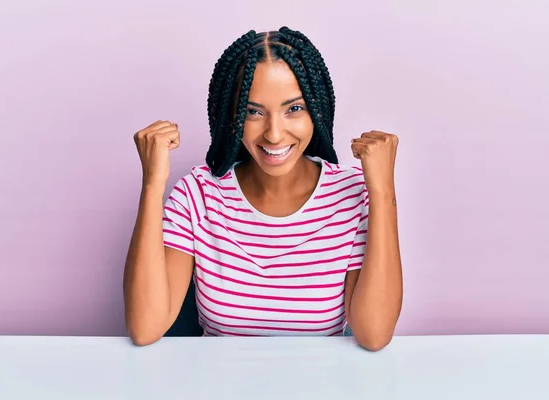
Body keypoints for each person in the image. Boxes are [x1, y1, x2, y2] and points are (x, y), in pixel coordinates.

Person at [123, 27, 403, 351]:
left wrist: (382, 191)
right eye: (253, 112)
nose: (273, 134)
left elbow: (374, 334)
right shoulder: (197, 195)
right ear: (233, 115)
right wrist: (152, 184)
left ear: (317, 110)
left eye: (293, 109)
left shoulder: (352, 197)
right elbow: (144, 328)